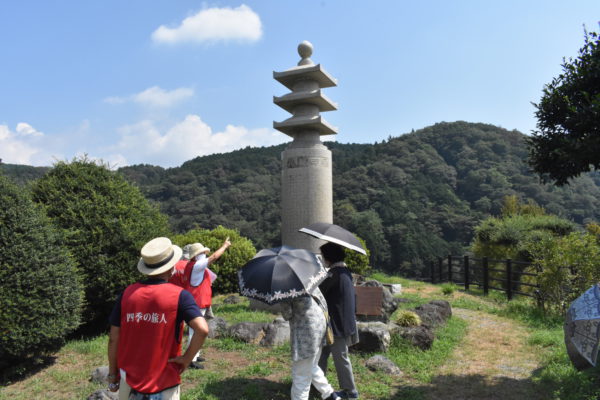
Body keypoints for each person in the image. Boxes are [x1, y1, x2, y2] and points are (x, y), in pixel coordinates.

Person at [107, 237, 209, 400]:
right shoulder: (180, 296)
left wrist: (113, 376)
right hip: (164, 379)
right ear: (171, 268)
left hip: (129, 380)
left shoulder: (127, 294)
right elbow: (202, 329)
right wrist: (186, 359)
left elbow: (114, 338)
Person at [170, 237, 231, 369]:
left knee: (194, 330)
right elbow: (214, 256)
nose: (204, 255)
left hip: (195, 300)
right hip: (197, 301)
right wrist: (225, 246)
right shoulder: (197, 265)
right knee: (195, 330)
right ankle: (190, 359)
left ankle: (195, 355)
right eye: (202, 253)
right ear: (196, 255)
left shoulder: (189, 266)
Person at [280, 287, 341, 400]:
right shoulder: (308, 279)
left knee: (300, 375)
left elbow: (287, 314)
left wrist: (281, 300)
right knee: (312, 366)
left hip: (306, 334)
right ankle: (330, 395)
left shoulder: (285, 287)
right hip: (319, 327)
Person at [318, 242, 360, 400]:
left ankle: (351, 391)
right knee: (322, 354)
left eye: (323, 256)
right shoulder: (345, 271)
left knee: (340, 357)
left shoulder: (334, 274)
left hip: (336, 324)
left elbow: (320, 291)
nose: (322, 259)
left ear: (329, 257)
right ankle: (319, 385)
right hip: (339, 322)